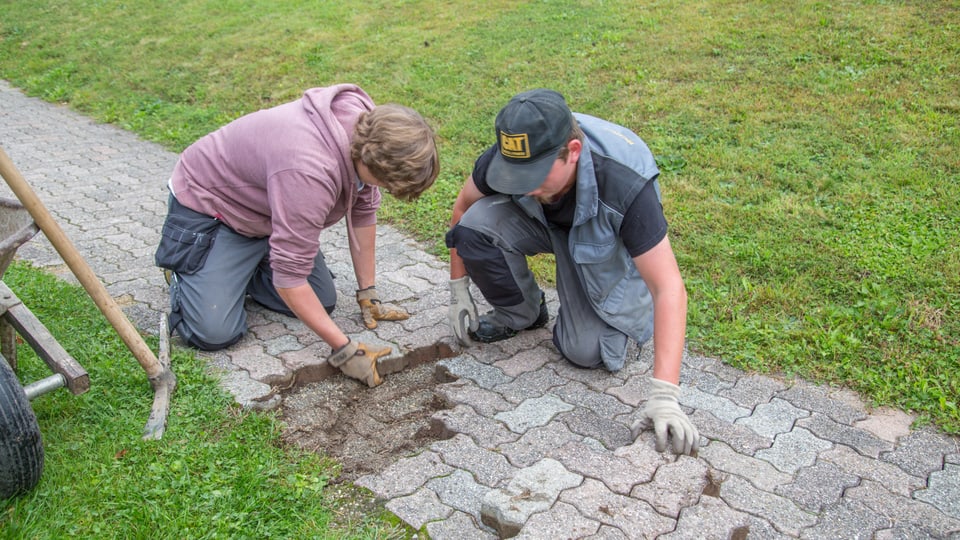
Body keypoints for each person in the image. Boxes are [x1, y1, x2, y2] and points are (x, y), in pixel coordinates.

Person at [446, 89, 698, 454]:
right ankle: (521, 312)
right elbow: (462, 209)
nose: (522, 186)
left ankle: (602, 313)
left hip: (603, 246)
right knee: (475, 227)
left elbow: (668, 286)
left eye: (532, 174)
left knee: (585, 350)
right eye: (512, 174)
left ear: (573, 153)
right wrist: (458, 288)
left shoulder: (624, 180)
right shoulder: (517, 152)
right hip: (543, 224)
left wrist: (665, 396)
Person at [155, 84, 439, 388]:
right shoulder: (309, 171)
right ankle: (190, 275)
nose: (386, 190)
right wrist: (344, 350)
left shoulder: (371, 133)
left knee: (321, 301)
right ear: (371, 161)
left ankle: (240, 270)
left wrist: (368, 292)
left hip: (269, 210)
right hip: (214, 208)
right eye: (386, 183)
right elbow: (290, 278)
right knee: (214, 332)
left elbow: (364, 210)